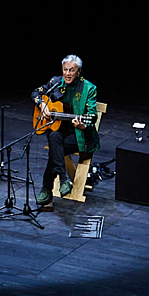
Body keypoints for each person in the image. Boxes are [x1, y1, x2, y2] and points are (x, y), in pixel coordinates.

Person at [31, 55, 100, 205]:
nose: (67, 74)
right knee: (55, 137)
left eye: (72, 70)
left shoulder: (89, 88)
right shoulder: (56, 82)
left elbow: (92, 115)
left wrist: (83, 125)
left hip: (80, 135)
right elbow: (35, 93)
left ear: (79, 72)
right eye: (65, 70)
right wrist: (42, 105)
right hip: (61, 131)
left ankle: (47, 188)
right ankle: (63, 180)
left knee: (55, 146)